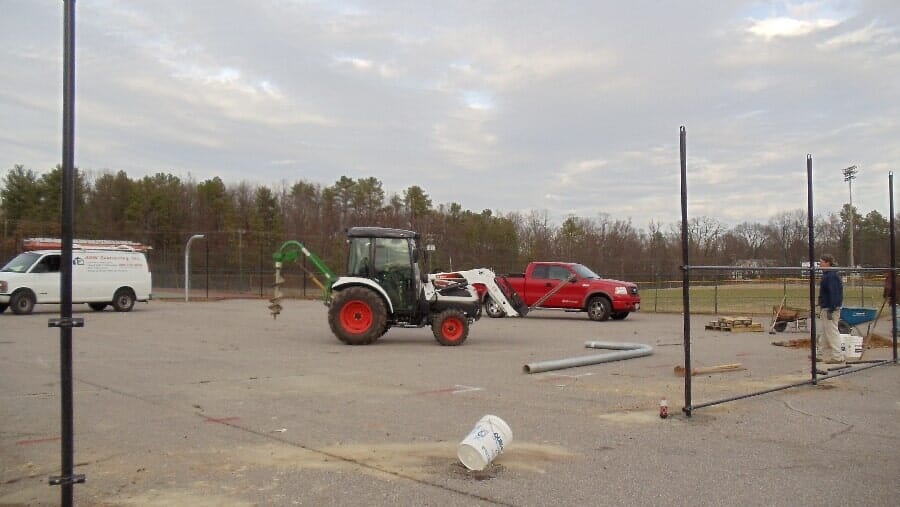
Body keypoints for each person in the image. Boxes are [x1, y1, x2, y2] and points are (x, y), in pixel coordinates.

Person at [817, 254, 844, 363]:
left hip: (830, 308)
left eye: (821, 262)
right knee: (824, 332)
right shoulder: (829, 275)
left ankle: (837, 356)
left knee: (832, 332)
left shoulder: (831, 276)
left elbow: (834, 293)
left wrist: (831, 308)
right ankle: (819, 354)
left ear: (827, 262)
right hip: (827, 307)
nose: (819, 265)